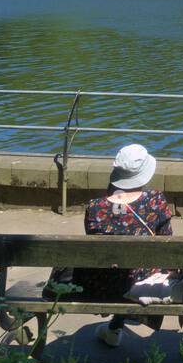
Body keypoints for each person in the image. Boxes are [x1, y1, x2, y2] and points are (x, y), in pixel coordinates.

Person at [74, 143, 174, 348]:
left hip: (103, 284)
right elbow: (167, 244)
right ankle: (116, 326)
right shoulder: (155, 201)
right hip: (143, 281)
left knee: (119, 268)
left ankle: (114, 328)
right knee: (144, 265)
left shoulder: (95, 207)